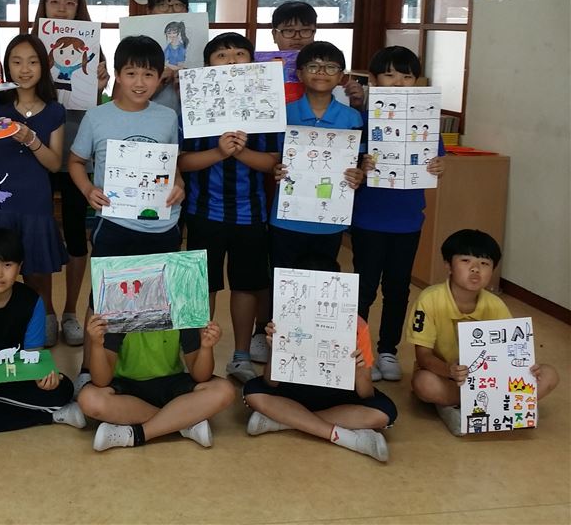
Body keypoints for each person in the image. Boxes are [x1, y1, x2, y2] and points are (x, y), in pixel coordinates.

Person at [69, 35, 186, 389]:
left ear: (159, 78)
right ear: (117, 75)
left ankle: (156, 368)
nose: (139, 82)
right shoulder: (97, 116)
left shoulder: (167, 116)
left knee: (158, 296)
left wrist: (179, 184)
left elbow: (172, 164)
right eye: (131, 73)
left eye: (148, 74)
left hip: (162, 224)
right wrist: (87, 189)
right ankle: (89, 369)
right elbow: (76, 161)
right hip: (114, 222)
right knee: (103, 299)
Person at [178, 33, 281, 383]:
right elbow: (181, 162)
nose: (232, 60)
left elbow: (272, 163)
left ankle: (240, 356)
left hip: (251, 212)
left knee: (246, 285)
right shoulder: (194, 104)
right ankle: (196, 352)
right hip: (203, 210)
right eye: (222, 55)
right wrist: (219, 152)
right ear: (208, 64)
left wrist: (241, 152)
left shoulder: (265, 104)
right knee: (202, 286)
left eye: (240, 54)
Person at [256, 42, 365, 363]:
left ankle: (314, 350)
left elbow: (358, 165)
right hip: (286, 218)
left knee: (322, 285)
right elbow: (271, 158)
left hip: (329, 222)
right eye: (314, 66)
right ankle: (276, 346)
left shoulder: (351, 118)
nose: (322, 73)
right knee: (281, 282)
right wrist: (275, 168)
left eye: (331, 67)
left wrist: (358, 175)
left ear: (341, 76)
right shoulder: (284, 114)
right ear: (300, 73)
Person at [0, 35, 68, 346]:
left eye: (32, 61)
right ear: (7, 66)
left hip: (35, 203)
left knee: (37, 274)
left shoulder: (54, 111)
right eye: (16, 62)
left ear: (44, 66)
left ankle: (43, 320)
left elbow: (54, 163)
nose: (25, 69)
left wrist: (31, 139)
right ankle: (1, 331)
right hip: (0, 205)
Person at [242, 256, 395, 463]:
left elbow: (366, 393)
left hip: (337, 397)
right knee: (252, 392)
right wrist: (276, 351)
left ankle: (283, 421)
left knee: (384, 412)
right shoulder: (284, 320)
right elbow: (271, 383)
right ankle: (346, 437)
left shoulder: (357, 325)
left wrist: (359, 370)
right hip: (293, 392)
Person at [352, 46, 445, 381]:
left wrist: (438, 166)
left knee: (398, 287)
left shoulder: (425, 120)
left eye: (406, 76)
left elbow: (436, 160)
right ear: (374, 79)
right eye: (389, 74)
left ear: (416, 81)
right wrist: (360, 165)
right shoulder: (360, 120)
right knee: (363, 287)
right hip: (368, 218)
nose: (398, 82)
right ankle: (360, 351)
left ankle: (388, 350)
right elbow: (347, 167)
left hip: (407, 220)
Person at [408, 229, 559, 436]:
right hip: (447, 377)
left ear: (493, 270)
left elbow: (512, 350)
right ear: (448, 265)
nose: (475, 269)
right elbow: (423, 356)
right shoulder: (429, 300)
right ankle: (498, 405)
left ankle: (470, 406)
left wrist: (527, 369)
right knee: (424, 384)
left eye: (484, 263)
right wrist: (449, 370)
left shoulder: (495, 305)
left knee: (549, 375)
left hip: (490, 381)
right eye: (465, 261)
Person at [0, 227, 85, 434]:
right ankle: (51, 415)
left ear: (20, 267)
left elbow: (33, 357)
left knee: (63, 389)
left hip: (19, 377)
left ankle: (3, 405)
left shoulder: (32, 301)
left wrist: (44, 378)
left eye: (8, 265)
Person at [31, 0, 110, 346]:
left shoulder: (92, 48)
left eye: (70, 2)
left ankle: (70, 312)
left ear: (79, 8)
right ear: (44, 6)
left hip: (79, 153)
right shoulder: (32, 46)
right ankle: (46, 311)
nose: (62, 9)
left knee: (77, 236)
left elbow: (102, 103)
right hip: (38, 152)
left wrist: (100, 87)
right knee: (40, 234)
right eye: (54, 1)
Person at [78, 310, 234, 451]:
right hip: (128, 389)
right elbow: (101, 381)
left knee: (224, 390)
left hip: (171, 384)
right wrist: (97, 345)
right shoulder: (118, 311)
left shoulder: (182, 310)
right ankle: (183, 422)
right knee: (89, 399)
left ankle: (138, 434)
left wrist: (206, 347)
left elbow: (201, 376)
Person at [127, 0, 190, 112]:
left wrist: (190, 82)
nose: (171, 10)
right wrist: (155, 82)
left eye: (177, 4)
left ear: (186, 9)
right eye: (162, 5)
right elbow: (120, 100)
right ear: (149, 10)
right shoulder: (134, 47)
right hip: (145, 119)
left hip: (187, 120)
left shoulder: (199, 45)